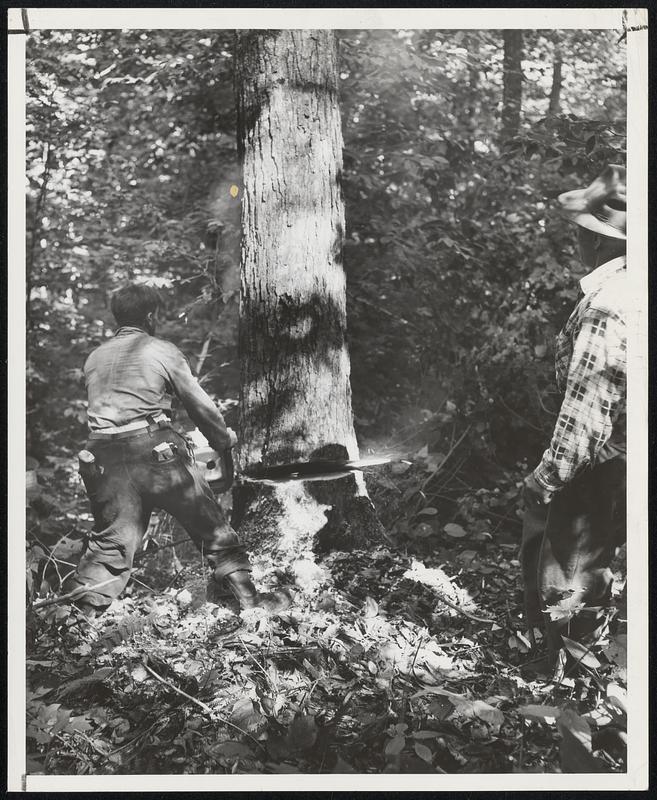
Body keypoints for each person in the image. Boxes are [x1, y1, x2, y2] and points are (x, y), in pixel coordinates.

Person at [66, 283, 290, 617]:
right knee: (212, 527)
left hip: (103, 458)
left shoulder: (95, 357)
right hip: (154, 451)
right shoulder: (160, 350)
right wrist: (222, 441)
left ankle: (76, 622)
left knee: (111, 545)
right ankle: (252, 603)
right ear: (151, 316)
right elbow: (199, 404)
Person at [521, 164, 627, 671]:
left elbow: (588, 409)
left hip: (600, 467)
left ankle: (565, 681)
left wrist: (548, 477)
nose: (577, 238)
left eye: (584, 230)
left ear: (601, 239)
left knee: (572, 579)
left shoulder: (609, 303)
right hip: (623, 461)